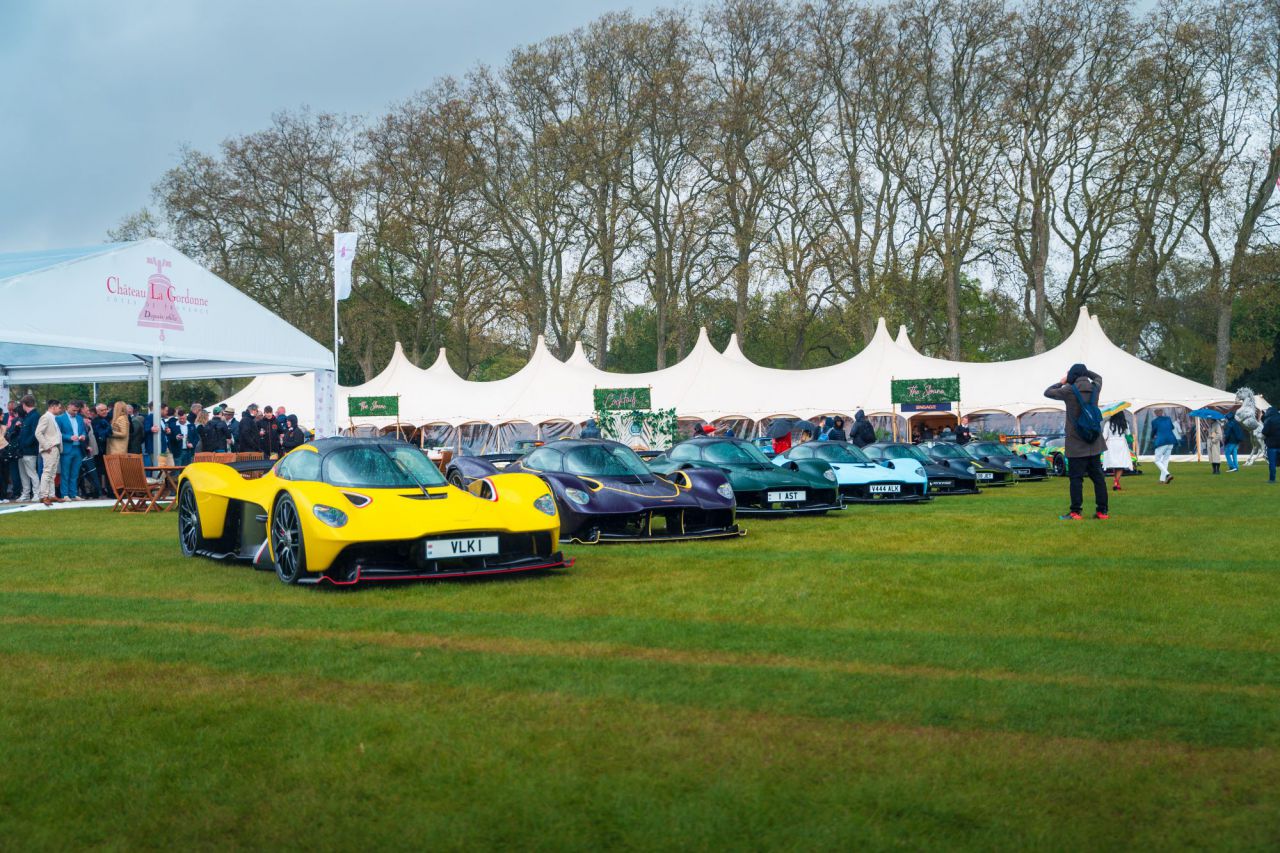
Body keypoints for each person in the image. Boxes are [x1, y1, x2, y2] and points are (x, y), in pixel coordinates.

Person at [1044, 363, 1108, 520]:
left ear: (1072, 375)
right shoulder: (1095, 388)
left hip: (1076, 442)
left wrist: (1063, 380)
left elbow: (1047, 392)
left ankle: (1075, 512)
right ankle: (1102, 511)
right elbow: (1098, 377)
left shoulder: (1068, 390)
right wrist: (1086, 372)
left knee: (1076, 479)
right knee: (1098, 478)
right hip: (1094, 442)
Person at [55, 400, 88, 500]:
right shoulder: (59, 418)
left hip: (78, 448)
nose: (75, 412)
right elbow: (58, 433)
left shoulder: (79, 418)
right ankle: (64, 494)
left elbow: (83, 430)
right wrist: (69, 437)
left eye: (77, 411)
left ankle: (73, 494)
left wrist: (83, 435)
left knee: (75, 473)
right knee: (65, 473)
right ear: (68, 407)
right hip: (67, 449)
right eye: (73, 410)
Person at [35, 399, 64, 505]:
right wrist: (46, 445)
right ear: (53, 406)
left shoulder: (52, 418)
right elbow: (38, 433)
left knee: (52, 473)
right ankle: (44, 496)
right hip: (50, 448)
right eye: (59, 407)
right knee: (47, 472)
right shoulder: (46, 417)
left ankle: (51, 495)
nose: (60, 409)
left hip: (54, 447)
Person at [15, 395, 41, 502]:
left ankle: (37, 494)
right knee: (23, 474)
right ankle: (25, 494)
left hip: (30, 450)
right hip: (22, 451)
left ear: (24, 404)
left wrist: (25, 444)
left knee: (31, 473)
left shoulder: (35, 416)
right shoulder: (27, 416)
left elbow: (36, 433)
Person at [1102, 413, 1133, 491]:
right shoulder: (1124, 423)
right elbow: (1128, 434)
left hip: (1111, 444)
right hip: (1121, 444)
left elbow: (1104, 436)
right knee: (1120, 464)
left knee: (1114, 464)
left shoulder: (1108, 423)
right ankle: (1116, 481)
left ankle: (1116, 482)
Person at [1149, 409, 1180, 484]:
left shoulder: (1154, 421)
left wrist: (1152, 437)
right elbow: (1172, 428)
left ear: (1155, 413)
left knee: (1157, 460)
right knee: (1165, 460)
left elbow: (1153, 432)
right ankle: (1162, 480)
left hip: (1162, 442)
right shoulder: (1168, 419)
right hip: (1171, 441)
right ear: (1162, 412)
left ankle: (1168, 474)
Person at [1263, 406, 1280, 484]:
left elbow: (1264, 432)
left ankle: (1272, 479)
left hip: (1272, 445)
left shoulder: (1269, 420)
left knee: (1272, 463)